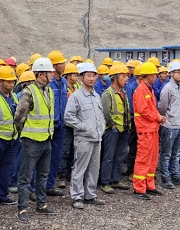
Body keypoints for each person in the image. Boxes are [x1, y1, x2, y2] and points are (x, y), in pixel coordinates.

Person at [15, 56, 57, 222]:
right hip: (31, 141)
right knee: (25, 177)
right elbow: (19, 116)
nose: (52, 74)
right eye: (49, 72)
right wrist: (25, 133)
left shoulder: (49, 91)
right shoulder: (29, 91)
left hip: (46, 139)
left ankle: (41, 205)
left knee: (43, 175)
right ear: (41, 74)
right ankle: (22, 208)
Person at [64, 62, 106, 209]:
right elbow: (68, 116)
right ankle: (77, 196)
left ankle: (90, 195)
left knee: (94, 168)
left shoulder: (96, 96)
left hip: (97, 137)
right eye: (88, 75)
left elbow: (100, 115)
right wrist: (84, 128)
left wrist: (101, 128)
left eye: (94, 75)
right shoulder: (76, 96)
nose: (91, 78)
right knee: (79, 168)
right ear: (81, 77)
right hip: (83, 138)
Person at [0, 65, 21, 210]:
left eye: (13, 81)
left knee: (6, 169)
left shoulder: (14, 97)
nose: (12, 84)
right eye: (8, 81)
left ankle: (1, 195)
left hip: (12, 139)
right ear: (0, 81)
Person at [131, 61, 165, 199]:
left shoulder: (148, 89)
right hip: (145, 130)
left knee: (152, 159)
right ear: (149, 75)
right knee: (143, 159)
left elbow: (151, 108)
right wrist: (158, 117)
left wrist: (158, 118)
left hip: (152, 129)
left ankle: (149, 185)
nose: (156, 77)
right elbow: (143, 110)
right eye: (154, 75)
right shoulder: (141, 90)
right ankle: (139, 188)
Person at [99, 63, 132, 194]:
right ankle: (105, 182)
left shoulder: (123, 92)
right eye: (123, 76)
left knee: (119, 156)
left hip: (123, 129)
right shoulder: (107, 94)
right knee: (109, 156)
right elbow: (106, 112)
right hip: (112, 130)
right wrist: (112, 125)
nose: (126, 79)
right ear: (115, 78)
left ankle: (115, 179)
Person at [157, 60, 180, 189]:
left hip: (179, 125)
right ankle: (165, 177)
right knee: (166, 153)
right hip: (169, 125)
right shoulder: (167, 88)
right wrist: (166, 119)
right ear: (171, 73)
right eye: (178, 72)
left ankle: (175, 175)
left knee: (177, 153)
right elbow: (162, 107)